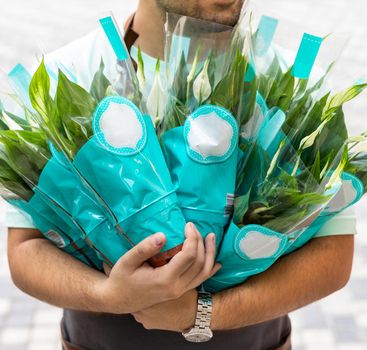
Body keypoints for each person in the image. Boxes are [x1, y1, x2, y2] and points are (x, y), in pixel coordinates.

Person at [6, 0, 356, 349]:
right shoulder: (64, 76)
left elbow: (333, 256)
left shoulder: (293, 84)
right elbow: (26, 249)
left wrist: (204, 313)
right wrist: (109, 295)